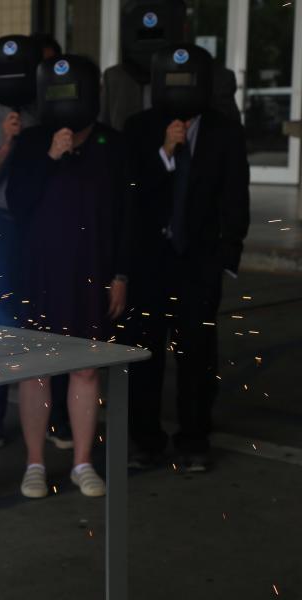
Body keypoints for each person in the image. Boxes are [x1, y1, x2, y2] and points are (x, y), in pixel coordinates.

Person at [7, 55, 131, 499]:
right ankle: (35, 463)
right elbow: (18, 204)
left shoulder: (111, 145)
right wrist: (50, 156)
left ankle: (82, 462)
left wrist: (120, 274)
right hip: (39, 272)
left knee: (86, 370)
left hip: (94, 273)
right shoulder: (32, 142)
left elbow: (125, 215)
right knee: (36, 371)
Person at [123, 44, 250, 472]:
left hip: (198, 262)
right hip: (150, 262)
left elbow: (235, 196)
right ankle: (146, 440)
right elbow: (132, 194)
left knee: (197, 354)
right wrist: (165, 153)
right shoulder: (138, 129)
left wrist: (227, 255)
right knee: (144, 352)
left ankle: (194, 439)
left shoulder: (225, 130)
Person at [0, 33, 63, 448]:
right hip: (2, 223)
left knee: (48, 317)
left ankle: (55, 416)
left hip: (43, 225)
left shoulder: (50, 111)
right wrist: (10, 142)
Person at [100, 0, 240, 132]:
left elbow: (231, 142)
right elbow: (105, 139)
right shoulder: (115, 79)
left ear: (183, 28)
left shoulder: (214, 78)